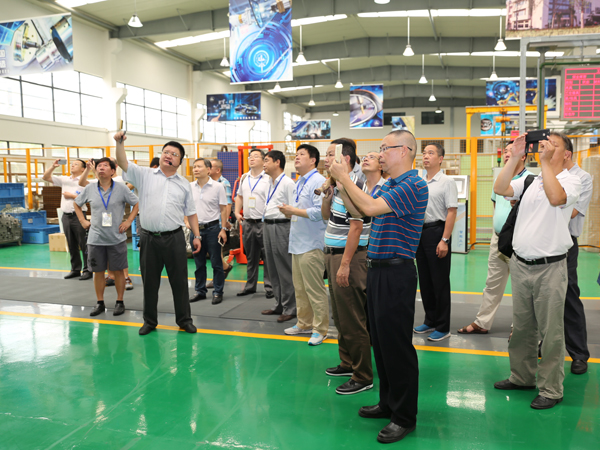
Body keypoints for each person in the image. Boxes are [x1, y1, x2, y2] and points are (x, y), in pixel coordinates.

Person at [330, 130, 427, 444]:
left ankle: (404, 416)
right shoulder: (389, 185)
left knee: (396, 347)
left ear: (405, 150)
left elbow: (370, 209)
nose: (380, 153)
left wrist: (345, 178)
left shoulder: (413, 184)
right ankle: (388, 403)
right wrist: (342, 185)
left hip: (396, 274)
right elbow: (360, 211)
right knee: (382, 346)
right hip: (378, 271)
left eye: (385, 148)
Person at [493, 132, 581, 410]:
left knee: (551, 332)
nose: (545, 146)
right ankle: (521, 377)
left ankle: (552, 389)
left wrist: (544, 162)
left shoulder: (571, 180)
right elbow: (500, 187)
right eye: (544, 143)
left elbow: (556, 198)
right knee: (522, 328)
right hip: (521, 265)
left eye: (553, 144)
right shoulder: (531, 181)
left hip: (550, 268)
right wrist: (515, 157)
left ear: (566, 154)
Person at [113, 131, 202, 335]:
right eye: (166, 152)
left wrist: (197, 236)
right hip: (149, 238)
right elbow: (123, 163)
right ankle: (149, 321)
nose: (168, 155)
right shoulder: (145, 175)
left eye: (174, 154)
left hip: (174, 238)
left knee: (179, 282)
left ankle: (184, 320)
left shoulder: (184, 184)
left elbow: (191, 212)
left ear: (180, 161)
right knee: (150, 283)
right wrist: (119, 143)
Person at [458, 142, 532, 335]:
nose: (507, 154)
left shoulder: (531, 180)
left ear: (523, 155)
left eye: (511, 151)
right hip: (498, 239)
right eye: (505, 152)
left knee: (521, 287)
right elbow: (496, 204)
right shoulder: (501, 179)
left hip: (519, 241)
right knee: (492, 283)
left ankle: (520, 328)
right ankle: (482, 322)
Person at [321, 139, 373, 395]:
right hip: (333, 254)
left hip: (349, 258)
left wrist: (344, 265)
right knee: (341, 316)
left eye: (331, 155)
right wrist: (328, 195)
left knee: (353, 318)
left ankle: (363, 375)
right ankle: (348, 362)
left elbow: (357, 225)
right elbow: (326, 217)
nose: (327, 159)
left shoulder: (356, 184)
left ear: (346, 159)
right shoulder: (337, 184)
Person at [73, 158, 139, 316]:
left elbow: (136, 203)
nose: (101, 168)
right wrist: (82, 220)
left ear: (113, 171)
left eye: (105, 166)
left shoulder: (121, 188)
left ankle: (120, 301)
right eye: (99, 166)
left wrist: (129, 221)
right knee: (98, 272)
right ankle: (100, 302)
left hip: (116, 238)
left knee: (119, 271)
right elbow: (76, 203)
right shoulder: (90, 188)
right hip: (95, 239)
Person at [278, 144, 329, 346]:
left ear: (313, 160)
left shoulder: (318, 182)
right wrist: (289, 211)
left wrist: (293, 211)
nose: (297, 157)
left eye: (301, 154)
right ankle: (304, 323)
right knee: (300, 288)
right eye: (296, 154)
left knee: (314, 290)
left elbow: (320, 212)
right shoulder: (299, 182)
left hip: (312, 244)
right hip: (298, 243)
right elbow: (301, 209)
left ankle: (320, 329)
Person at [413, 143, 458, 342]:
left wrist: (444, 240)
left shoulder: (447, 182)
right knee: (425, 280)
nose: (426, 156)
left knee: (439, 281)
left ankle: (442, 326)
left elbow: (452, 212)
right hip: (420, 233)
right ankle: (430, 320)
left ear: (440, 159)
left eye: (430, 153)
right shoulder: (419, 181)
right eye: (424, 153)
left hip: (437, 232)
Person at [562, 142, 593, 375]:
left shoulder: (583, 178)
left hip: (566, 242)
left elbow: (572, 212)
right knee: (542, 297)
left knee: (569, 294)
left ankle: (579, 353)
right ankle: (545, 343)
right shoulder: (545, 175)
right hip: (543, 242)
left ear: (566, 153)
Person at [261, 150, 297, 323]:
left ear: (277, 162)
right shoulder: (269, 182)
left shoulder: (288, 183)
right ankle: (279, 304)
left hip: (282, 226)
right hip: (268, 226)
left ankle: (291, 308)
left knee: (284, 268)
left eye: (266, 160)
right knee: (272, 268)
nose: (263, 164)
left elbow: (293, 209)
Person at [187, 158, 228, 305]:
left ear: (209, 170)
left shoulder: (218, 187)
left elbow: (223, 209)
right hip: (195, 230)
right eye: (194, 167)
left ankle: (218, 292)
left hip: (212, 230)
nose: (196, 169)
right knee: (199, 264)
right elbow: (186, 207)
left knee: (216, 263)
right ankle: (200, 291)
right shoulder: (189, 187)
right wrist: (186, 221)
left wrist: (223, 229)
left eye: (199, 166)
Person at [42, 158, 92, 280]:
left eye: (76, 164)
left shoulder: (86, 182)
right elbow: (45, 177)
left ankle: (88, 270)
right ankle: (75, 269)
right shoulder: (65, 179)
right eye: (72, 164)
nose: (72, 166)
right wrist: (53, 166)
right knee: (71, 244)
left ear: (83, 169)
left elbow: (87, 199)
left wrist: (72, 196)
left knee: (84, 244)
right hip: (66, 216)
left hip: (79, 216)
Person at [234, 149, 273, 298]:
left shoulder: (268, 179)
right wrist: (236, 212)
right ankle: (250, 286)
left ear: (263, 160)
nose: (251, 158)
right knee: (251, 257)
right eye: (250, 156)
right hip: (248, 223)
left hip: (264, 223)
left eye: (256, 156)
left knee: (267, 256)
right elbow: (239, 196)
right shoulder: (244, 178)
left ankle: (270, 287)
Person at [207, 158, 234, 287]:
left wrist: (224, 223)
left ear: (217, 170)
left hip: (218, 223)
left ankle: (218, 278)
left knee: (216, 252)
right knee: (213, 252)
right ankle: (225, 268)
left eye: (210, 166)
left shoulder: (224, 183)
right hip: (208, 222)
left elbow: (227, 205)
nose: (207, 168)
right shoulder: (207, 183)